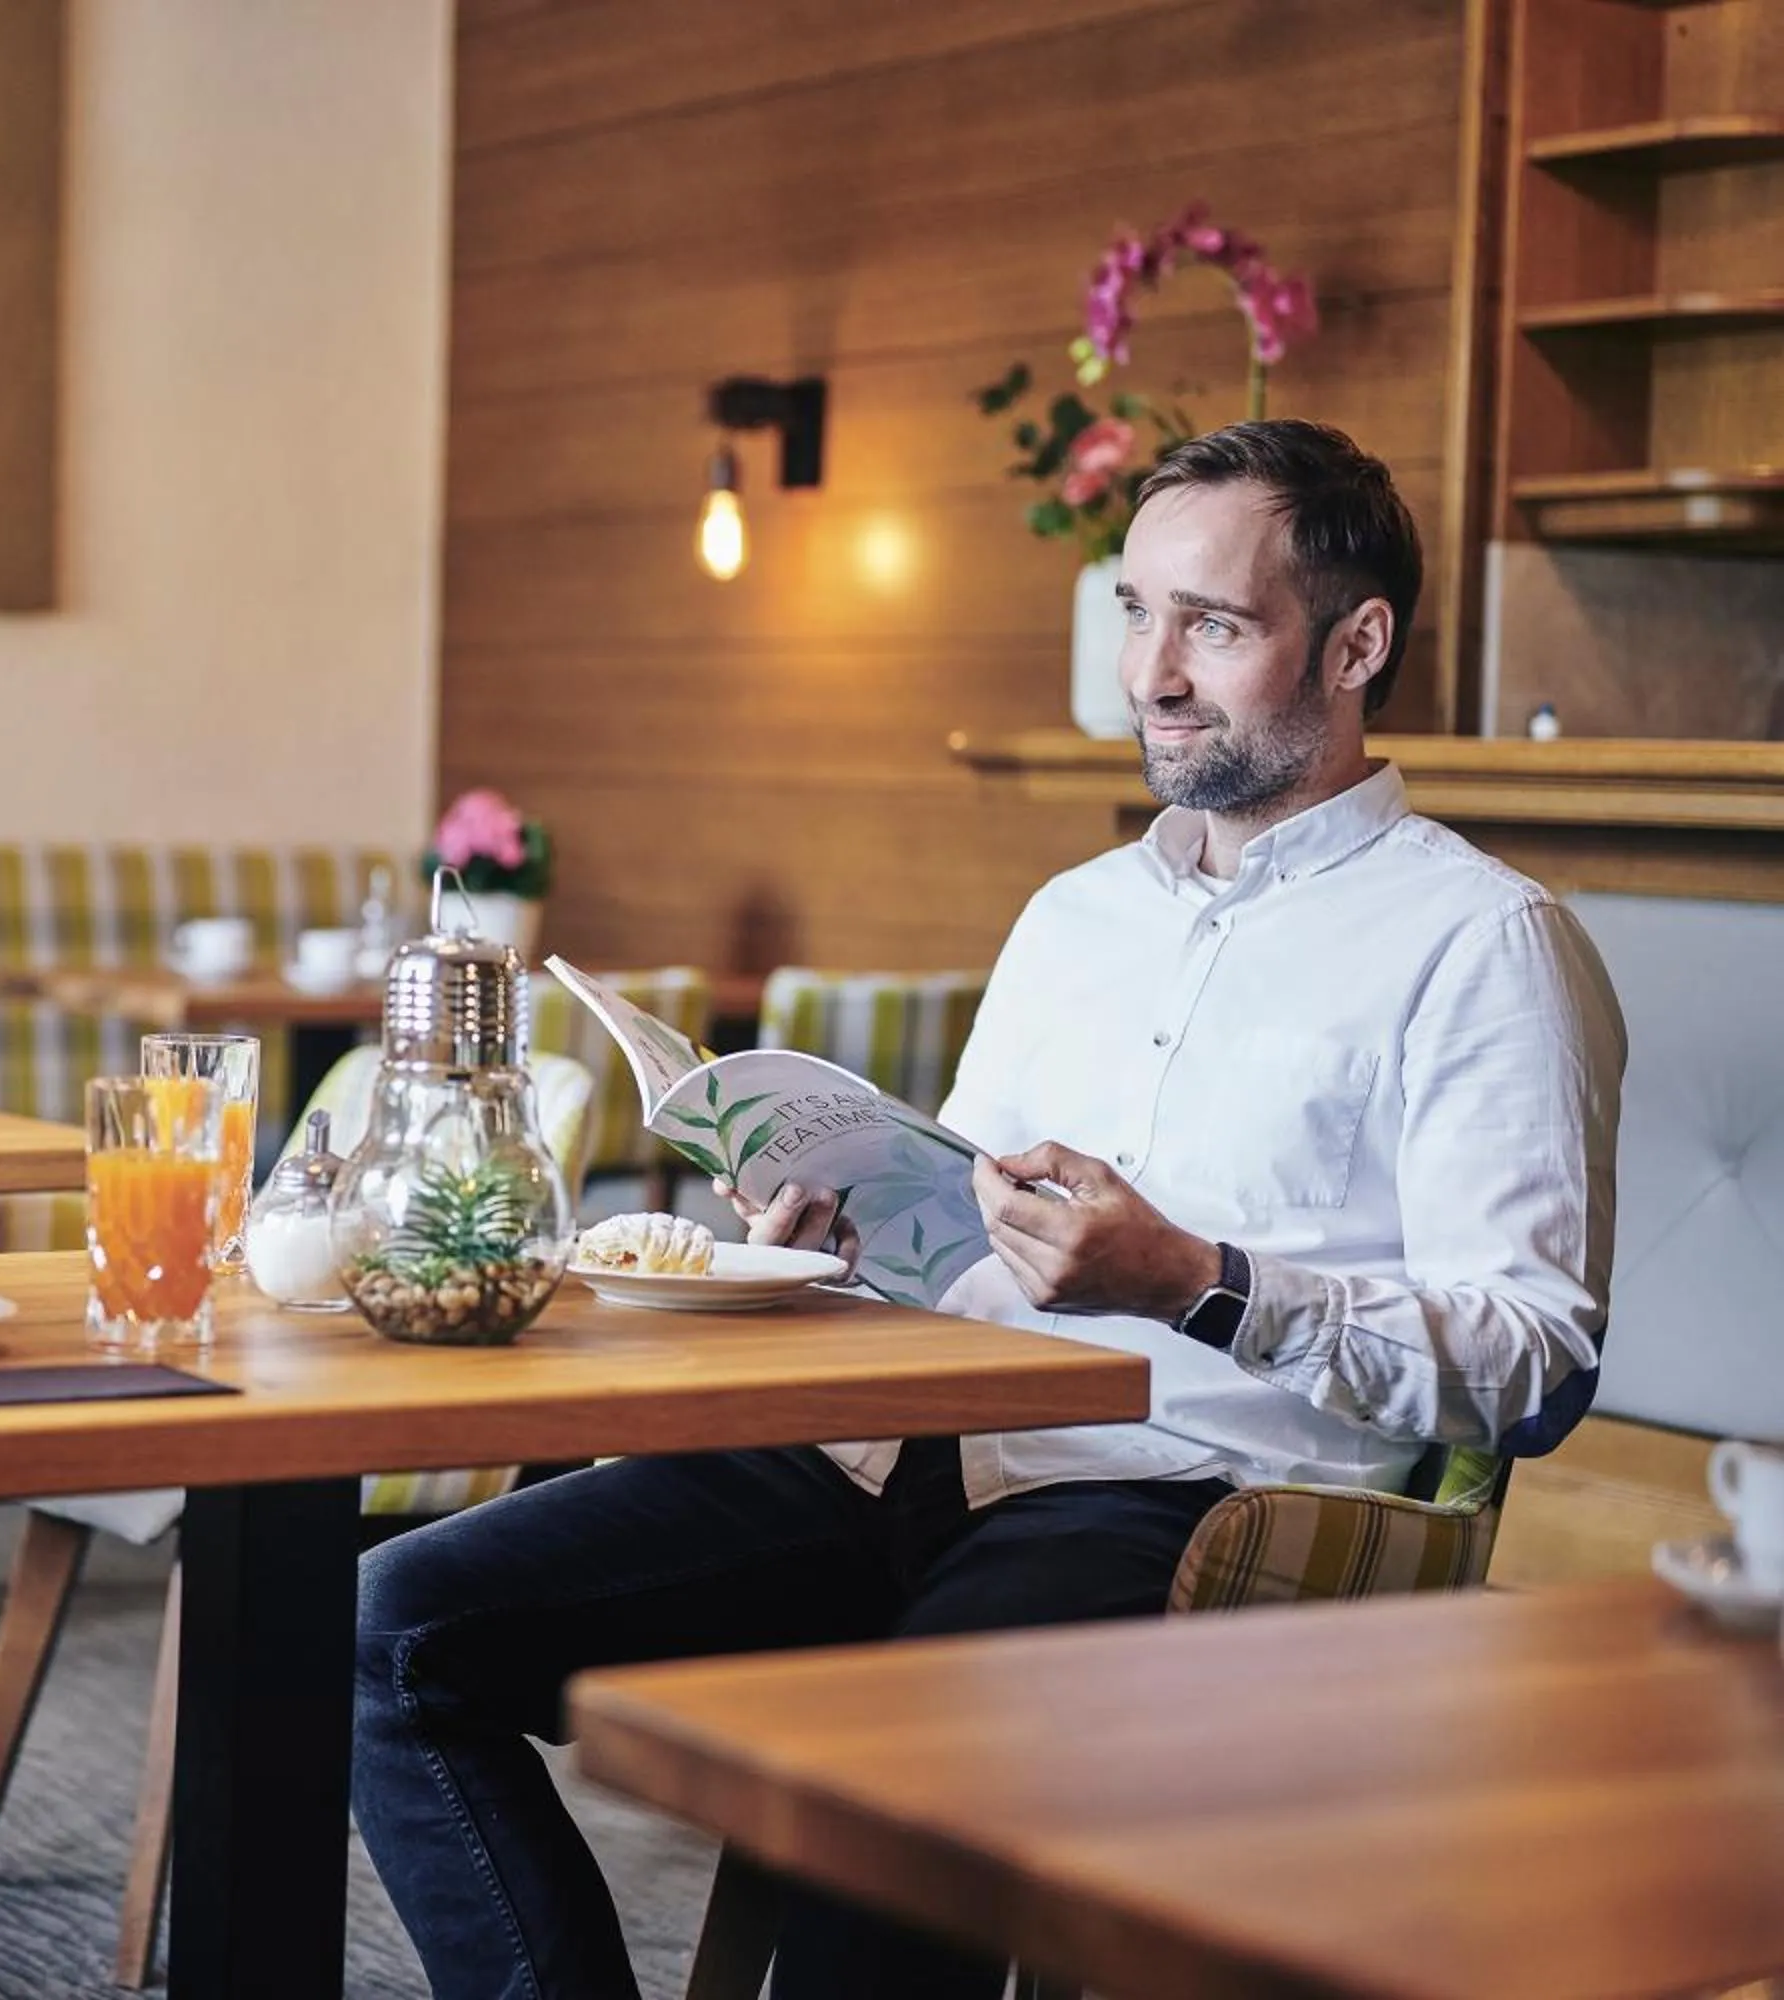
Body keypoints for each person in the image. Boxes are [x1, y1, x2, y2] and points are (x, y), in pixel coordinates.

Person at [352, 420, 1625, 2000]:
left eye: (1211, 625)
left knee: (891, 1816)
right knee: (391, 1627)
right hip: (891, 1449)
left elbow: (1535, 1369)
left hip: (1178, 1505)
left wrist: (1198, 1283)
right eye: (1135, 614)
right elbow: (960, 1232)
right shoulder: (1074, 917)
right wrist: (831, 1234)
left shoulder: (1486, 944)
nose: (1152, 673)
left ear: (1359, 644)